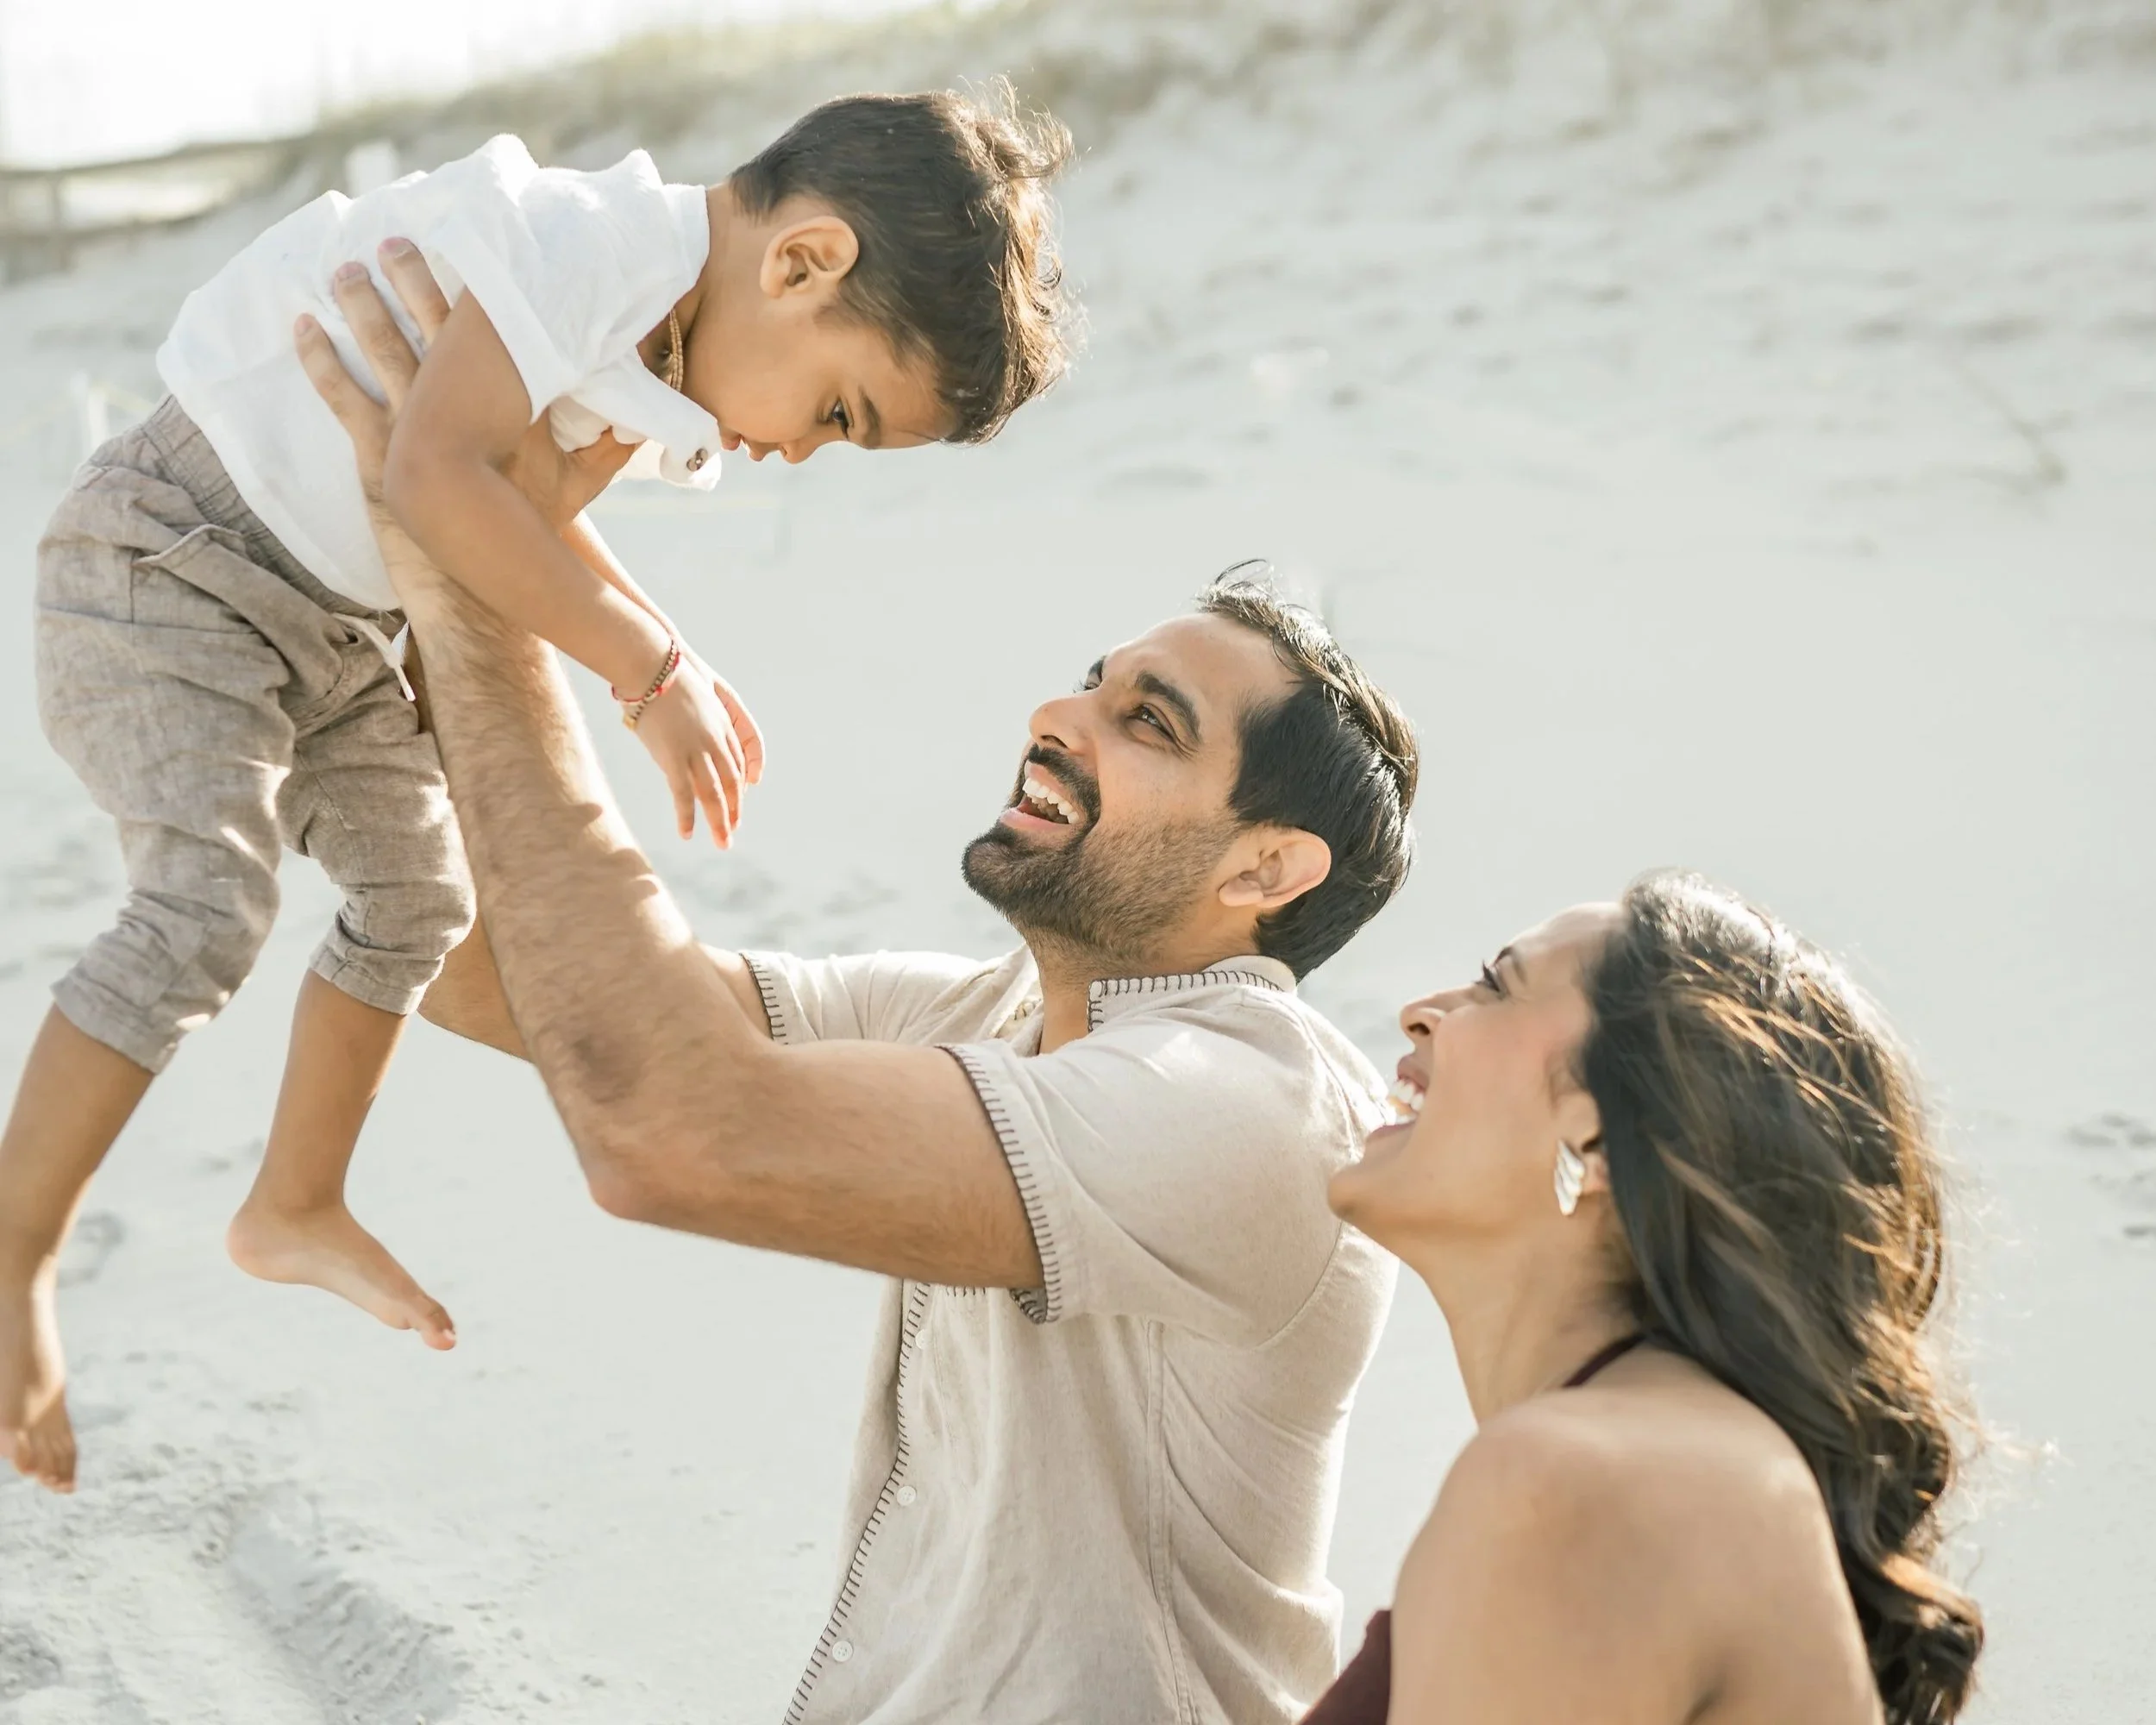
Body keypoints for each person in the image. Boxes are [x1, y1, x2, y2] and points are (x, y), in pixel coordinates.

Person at [269, 261, 1410, 1721]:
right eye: (1091, 681)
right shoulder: (990, 1019)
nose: (1058, 719)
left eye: (1146, 723)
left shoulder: (1251, 1109)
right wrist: (346, 619)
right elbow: (500, 982)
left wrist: (473, 574)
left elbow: (671, 1130)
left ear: (1264, 872)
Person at [0, 88, 1074, 1492]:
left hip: (326, 625)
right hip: (177, 567)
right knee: (207, 903)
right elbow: (441, 480)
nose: (801, 450)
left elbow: (522, 516)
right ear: (801, 262)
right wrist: (642, 670)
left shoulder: (655, 337)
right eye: (835, 410)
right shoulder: (586, 250)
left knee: (420, 897)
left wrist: (664, 647)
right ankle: (19, 1255)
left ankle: (294, 1199)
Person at [1305, 873, 1984, 1724]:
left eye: (1496, 982)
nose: (1417, 1009)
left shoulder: (1578, 1482)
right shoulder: (1661, 1460)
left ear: (1592, 1141)